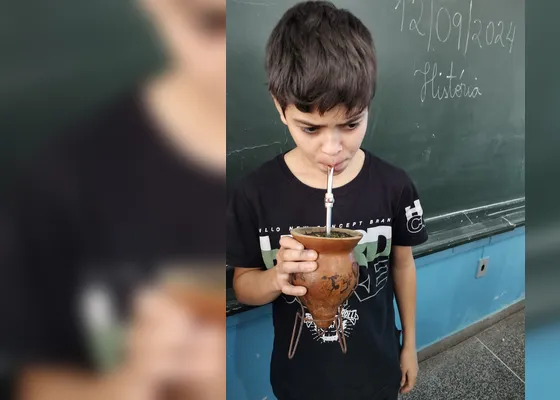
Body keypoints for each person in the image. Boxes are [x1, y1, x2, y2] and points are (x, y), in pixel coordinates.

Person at [0, 0, 226, 398]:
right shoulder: (63, 182)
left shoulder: (285, 183)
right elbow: (35, 382)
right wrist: (130, 386)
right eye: (211, 24)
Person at [227, 2, 428, 399]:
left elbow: (403, 267)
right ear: (279, 107)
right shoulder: (255, 193)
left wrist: (409, 346)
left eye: (351, 124)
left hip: (377, 369)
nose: (333, 148)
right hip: (299, 380)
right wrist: (276, 278)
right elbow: (243, 285)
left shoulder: (394, 186)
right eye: (311, 128)